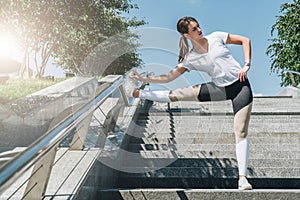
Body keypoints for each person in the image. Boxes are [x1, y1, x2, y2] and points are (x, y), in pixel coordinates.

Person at [126, 16, 253, 190]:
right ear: (186, 35)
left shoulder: (217, 37)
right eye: (194, 29)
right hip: (218, 88)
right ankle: (138, 93)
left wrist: (246, 65)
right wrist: (143, 78)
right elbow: (168, 77)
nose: (199, 30)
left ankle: (242, 179)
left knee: (240, 131)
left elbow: (245, 40)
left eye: (198, 26)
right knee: (177, 94)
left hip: (240, 87)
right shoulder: (191, 58)